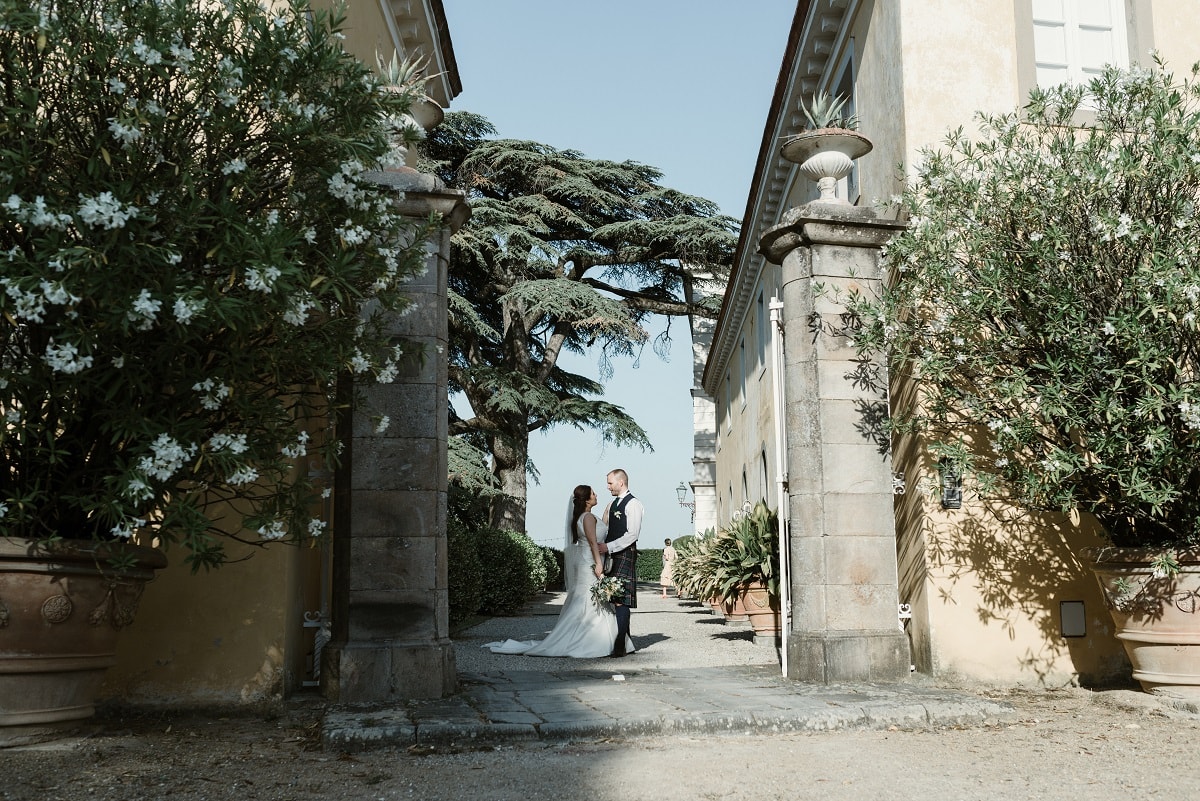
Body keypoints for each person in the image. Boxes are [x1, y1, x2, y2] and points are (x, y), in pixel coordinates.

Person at [482, 484, 633, 658]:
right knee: (589, 599)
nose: (596, 494)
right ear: (586, 499)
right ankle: (590, 641)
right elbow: (593, 543)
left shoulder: (586, 517)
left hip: (585, 561)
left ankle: (598, 638)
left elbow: (599, 532)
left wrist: (607, 512)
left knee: (590, 598)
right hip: (590, 562)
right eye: (593, 493)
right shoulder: (588, 518)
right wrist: (599, 564)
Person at [597, 468, 642, 657]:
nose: (608, 487)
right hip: (612, 555)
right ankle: (626, 641)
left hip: (624, 553)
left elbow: (632, 534)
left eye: (610, 483)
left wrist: (609, 547)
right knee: (615, 598)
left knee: (620, 600)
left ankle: (620, 643)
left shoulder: (634, 504)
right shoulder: (612, 503)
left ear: (620, 482)